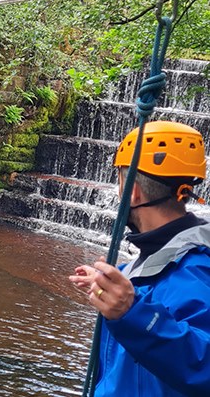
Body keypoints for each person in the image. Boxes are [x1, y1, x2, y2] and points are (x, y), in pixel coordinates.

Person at [69, 120, 210, 397]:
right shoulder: (149, 264)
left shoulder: (197, 272)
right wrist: (112, 285)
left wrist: (133, 313)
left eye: (120, 179)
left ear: (132, 190)